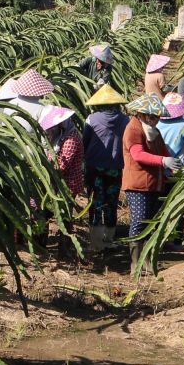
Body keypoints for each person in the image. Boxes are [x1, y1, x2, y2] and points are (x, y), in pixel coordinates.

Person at [122, 93, 180, 266]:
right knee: (139, 222)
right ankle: (135, 263)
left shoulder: (154, 131)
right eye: (153, 117)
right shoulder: (133, 129)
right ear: (143, 114)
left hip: (154, 183)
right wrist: (162, 161)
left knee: (150, 222)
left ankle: (146, 260)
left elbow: (164, 152)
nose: (156, 120)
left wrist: (172, 166)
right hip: (138, 184)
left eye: (158, 117)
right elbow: (137, 154)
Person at [82, 84, 130, 254]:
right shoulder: (126, 120)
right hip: (115, 167)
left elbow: (84, 142)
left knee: (95, 202)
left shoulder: (91, 119)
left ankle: (96, 242)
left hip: (94, 166)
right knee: (111, 201)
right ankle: (109, 239)